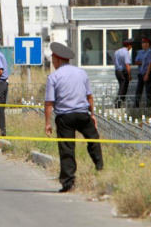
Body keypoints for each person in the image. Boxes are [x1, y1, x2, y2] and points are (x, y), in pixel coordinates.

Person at [44, 42, 103, 193]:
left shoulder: (53, 77)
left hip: (64, 118)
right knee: (93, 140)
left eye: (53, 59)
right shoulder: (81, 72)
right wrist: (93, 115)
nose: (53, 62)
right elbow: (90, 96)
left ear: (57, 59)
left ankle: (68, 183)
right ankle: (100, 167)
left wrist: (47, 123)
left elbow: (49, 103)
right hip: (83, 115)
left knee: (67, 149)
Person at [135, 36, 151, 107]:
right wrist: (142, 62)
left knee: (148, 90)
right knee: (138, 90)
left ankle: (149, 105)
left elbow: (150, 64)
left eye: (143, 42)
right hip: (141, 73)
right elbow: (136, 62)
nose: (142, 44)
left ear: (148, 44)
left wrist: (147, 74)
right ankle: (136, 104)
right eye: (142, 42)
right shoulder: (141, 52)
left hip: (147, 74)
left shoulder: (150, 52)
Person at [114, 38, 134, 108]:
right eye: (131, 45)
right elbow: (127, 65)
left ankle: (119, 103)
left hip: (117, 71)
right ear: (128, 45)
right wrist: (129, 75)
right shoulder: (125, 53)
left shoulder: (117, 51)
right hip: (123, 72)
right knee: (123, 88)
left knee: (121, 87)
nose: (131, 47)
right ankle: (118, 103)